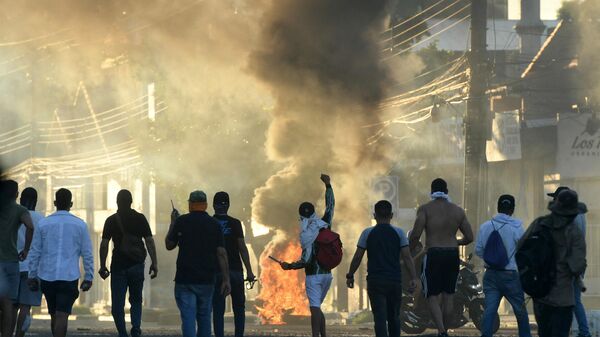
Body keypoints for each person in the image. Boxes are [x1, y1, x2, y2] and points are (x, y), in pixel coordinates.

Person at [408, 178, 473, 337]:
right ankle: (445, 328)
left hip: (434, 253)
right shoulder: (458, 211)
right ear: (447, 192)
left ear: (431, 192)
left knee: (432, 294)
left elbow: (415, 234)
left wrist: (409, 252)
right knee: (448, 294)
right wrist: (454, 242)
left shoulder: (425, 209)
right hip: (452, 254)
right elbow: (469, 237)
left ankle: (442, 331)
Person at [27, 188, 94, 337]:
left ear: (55, 203)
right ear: (71, 203)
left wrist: (32, 275)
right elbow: (87, 253)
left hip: (47, 276)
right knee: (62, 315)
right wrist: (88, 276)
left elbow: (35, 251)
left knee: (54, 314)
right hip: (69, 277)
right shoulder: (80, 225)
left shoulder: (44, 224)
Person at [346, 200, 419, 337]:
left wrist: (350, 275)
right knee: (394, 317)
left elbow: (357, 257)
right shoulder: (399, 233)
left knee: (379, 317)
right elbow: (407, 257)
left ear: (374, 215)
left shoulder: (367, 233)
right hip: (394, 281)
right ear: (391, 215)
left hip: (375, 281)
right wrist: (414, 277)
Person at [519, 189, 586, 337]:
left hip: (541, 295)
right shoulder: (574, 233)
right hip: (562, 299)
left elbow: (521, 248)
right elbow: (577, 266)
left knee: (544, 333)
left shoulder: (539, 224)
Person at [165, 190, 231, 337]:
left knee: (188, 318)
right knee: (204, 318)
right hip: (207, 280)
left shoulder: (181, 222)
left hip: (185, 279)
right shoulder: (214, 224)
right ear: (206, 205)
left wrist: (173, 223)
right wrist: (226, 279)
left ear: (190, 205)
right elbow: (221, 253)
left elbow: (169, 245)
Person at [279, 174, 334, 337]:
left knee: (314, 308)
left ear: (301, 216)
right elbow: (331, 206)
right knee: (318, 308)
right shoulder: (325, 224)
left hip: (314, 277)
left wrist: (288, 266)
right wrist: (328, 186)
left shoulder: (305, 234)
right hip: (327, 276)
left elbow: (306, 260)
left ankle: (315, 335)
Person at [99, 190, 159, 337]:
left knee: (117, 306)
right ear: (131, 202)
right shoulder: (140, 218)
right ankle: (136, 328)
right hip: (137, 265)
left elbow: (104, 245)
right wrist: (154, 263)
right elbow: (150, 242)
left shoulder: (111, 220)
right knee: (136, 299)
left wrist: (102, 265)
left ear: (117, 202)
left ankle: (122, 333)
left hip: (119, 267)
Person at [474, 195, 531, 337]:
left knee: (490, 311)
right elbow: (525, 250)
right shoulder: (517, 228)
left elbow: (478, 250)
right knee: (520, 311)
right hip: (511, 275)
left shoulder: (485, 226)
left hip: (491, 275)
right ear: (512, 209)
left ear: (498, 208)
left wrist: (492, 258)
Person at [546, 187, 591, 337]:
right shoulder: (578, 214)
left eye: (555, 198)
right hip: (576, 261)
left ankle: (584, 332)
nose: (553, 201)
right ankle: (581, 331)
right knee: (573, 299)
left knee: (572, 300)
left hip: (569, 263)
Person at [211, 191, 255, 337]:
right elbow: (242, 248)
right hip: (235, 271)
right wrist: (249, 271)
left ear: (213, 205)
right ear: (228, 205)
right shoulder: (235, 223)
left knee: (218, 308)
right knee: (239, 308)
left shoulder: (209, 222)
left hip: (216, 272)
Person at [0, 180, 34, 337]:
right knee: (9, 305)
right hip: (11, 262)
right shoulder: (20, 210)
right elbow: (30, 226)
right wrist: (26, 250)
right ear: (16, 194)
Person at [11, 188, 44, 337]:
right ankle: (19, 335)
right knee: (25, 305)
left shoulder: (13, 215)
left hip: (12, 266)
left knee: (11, 305)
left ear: (20, 199)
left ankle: (7, 333)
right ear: (36, 201)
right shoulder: (41, 219)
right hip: (32, 268)